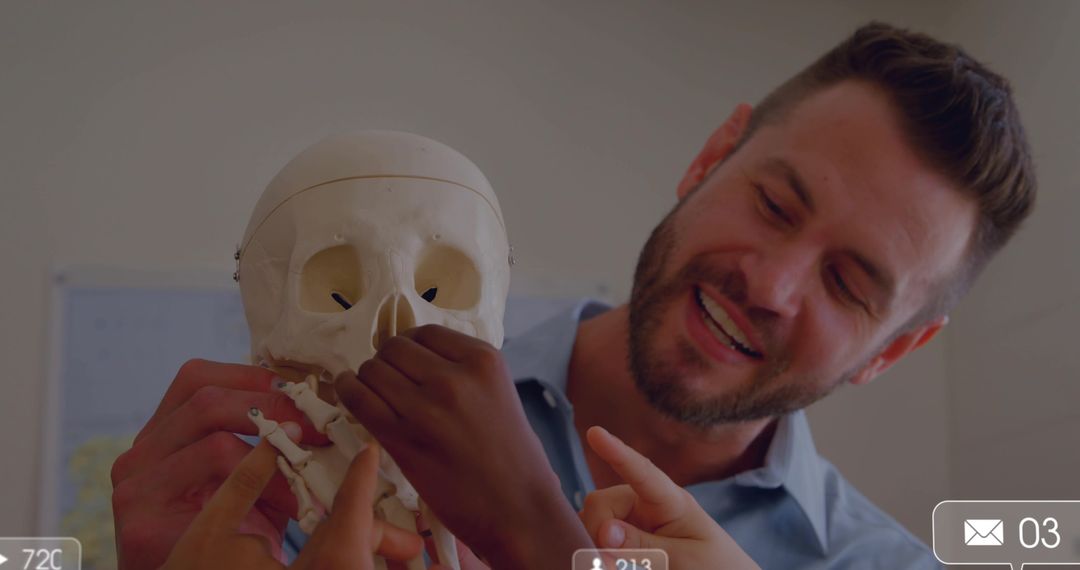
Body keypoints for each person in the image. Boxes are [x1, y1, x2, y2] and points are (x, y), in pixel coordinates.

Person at [111, 21, 1035, 569]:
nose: (771, 283)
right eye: (773, 203)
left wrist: (539, 536)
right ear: (711, 158)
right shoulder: (324, 428)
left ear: (893, 351)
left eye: (847, 284)